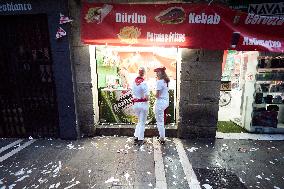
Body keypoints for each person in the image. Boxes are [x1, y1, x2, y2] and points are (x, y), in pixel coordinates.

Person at [131, 67, 149, 145]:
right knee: (142, 122)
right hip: (143, 105)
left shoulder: (134, 82)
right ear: (144, 73)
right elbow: (147, 97)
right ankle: (141, 139)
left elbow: (133, 93)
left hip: (136, 105)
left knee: (139, 121)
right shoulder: (144, 83)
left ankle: (136, 136)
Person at [154, 67, 170, 145]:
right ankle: (162, 137)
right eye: (156, 72)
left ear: (161, 73)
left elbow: (157, 95)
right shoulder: (166, 81)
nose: (156, 73)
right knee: (162, 120)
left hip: (160, 103)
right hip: (165, 102)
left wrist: (154, 94)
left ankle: (162, 138)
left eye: (158, 72)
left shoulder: (159, 82)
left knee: (160, 121)